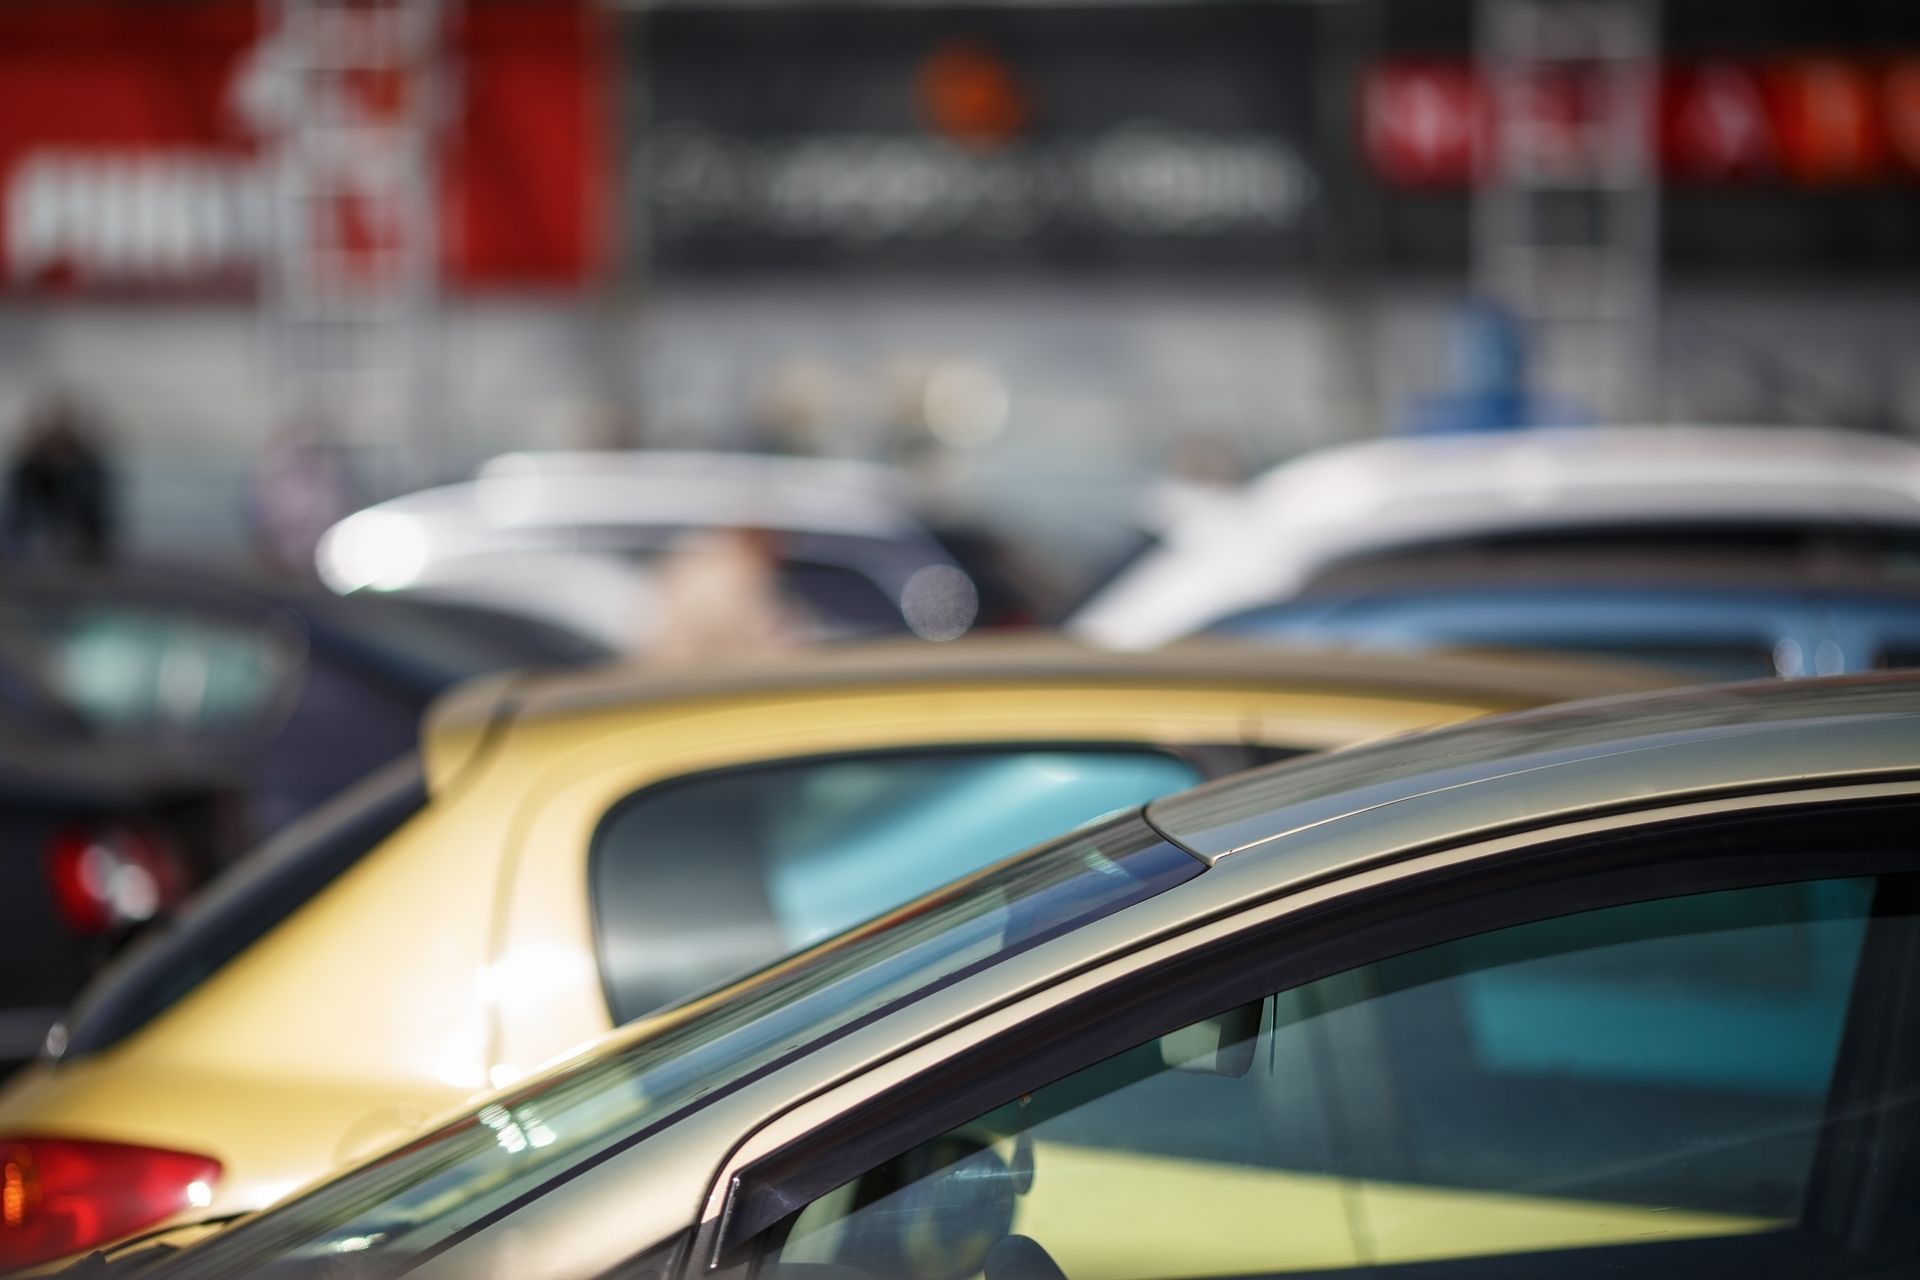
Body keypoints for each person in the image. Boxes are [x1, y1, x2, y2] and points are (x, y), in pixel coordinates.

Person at [5, 394, 116, 564]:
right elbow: (19, 513)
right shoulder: (28, 468)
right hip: (36, 537)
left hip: (77, 539)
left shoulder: (89, 466)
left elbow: (98, 514)